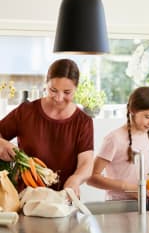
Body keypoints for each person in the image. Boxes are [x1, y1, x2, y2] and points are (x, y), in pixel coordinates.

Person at [0, 59, 94, 196]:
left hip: (65, 199)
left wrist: (76, 178)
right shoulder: (26, 112)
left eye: (67, 92)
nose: (59, 98)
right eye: (53, 90)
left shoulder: (83, 121)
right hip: (27, 198)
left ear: (76, 89)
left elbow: (86, 162)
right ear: (46, 84)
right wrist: (2, 143)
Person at [87, 86, 149, 200]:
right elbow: (91, 178)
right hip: (118, 208)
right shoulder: (114, 139)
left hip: (145, 205)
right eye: (148, 117)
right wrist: (128, 187)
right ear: (133, 110)